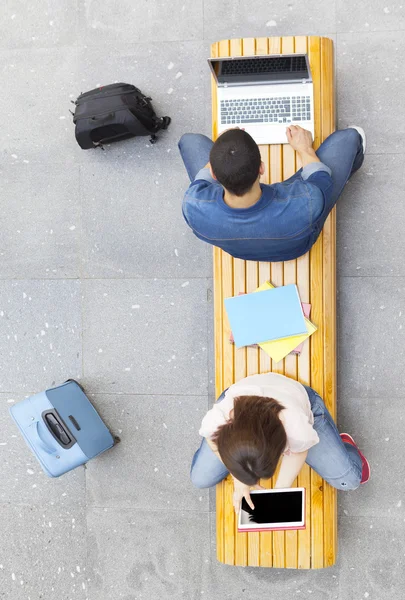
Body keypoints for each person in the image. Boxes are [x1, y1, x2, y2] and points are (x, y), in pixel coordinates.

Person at [179, 125, 365, 262]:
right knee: (349, 137)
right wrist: (304, 148)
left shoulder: (193, 207)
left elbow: (201, 180)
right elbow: (321, 178)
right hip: (296, 245)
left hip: (242, 250)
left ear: (214, 175)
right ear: (261, 168)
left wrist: (224, 152)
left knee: (188, 140)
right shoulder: (305, 202)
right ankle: (353, 164)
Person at [190, 372, 370, 513]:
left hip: (303, 404)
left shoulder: (294, 425)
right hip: (242, 394)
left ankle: (343, 443)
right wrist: (240, 480)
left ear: (281, 447)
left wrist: (279, 492)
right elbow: (212, 440)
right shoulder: (218, 418)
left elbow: (299, 451)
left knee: (350, 480)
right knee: (199, 479)